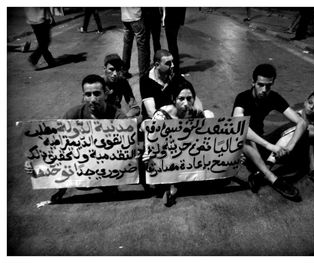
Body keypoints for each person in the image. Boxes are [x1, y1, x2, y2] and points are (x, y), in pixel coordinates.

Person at [25, 74, 127, 202]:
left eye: (97, 94)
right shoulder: (73, 114)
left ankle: (107, 185)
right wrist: (34, 161)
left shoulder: (118, 117)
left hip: (105, 166)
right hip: (80, 167)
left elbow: (128, 144)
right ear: (83, 96)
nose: (92, 99)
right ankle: (63, 187)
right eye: (88, 94)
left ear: (105, 94)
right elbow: (52, 142)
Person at [232, 63, 307, 202]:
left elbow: (302, 122)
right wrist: (271, 147)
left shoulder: (273, 97)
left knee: (294, 128)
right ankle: (273, 178)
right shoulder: (242, 97)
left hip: (261, 142)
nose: (264, 90)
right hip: (245, 146)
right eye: (260, 84)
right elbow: (238, 127)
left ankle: (262, 171)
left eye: (268, 86)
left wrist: (288, 148)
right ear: (253, 82)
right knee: (243, 135)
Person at [143, 77, 213, 207]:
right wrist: (148, 154)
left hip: (189, 155)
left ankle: (176, 186)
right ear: (174, 99)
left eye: (189, 98)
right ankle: (172, 186)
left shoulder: (195, 112)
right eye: (181, 99)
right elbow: (153, 140)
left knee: (209, 114)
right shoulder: (162, 115)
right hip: (169, 155)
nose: (186, 103)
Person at [140, 49, 203, 121]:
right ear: (157, 65)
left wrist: (199, 111)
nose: (172, 65)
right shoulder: (146, 80)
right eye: (168, 63)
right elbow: (151, 112)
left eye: (172, 62)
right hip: (154, 118)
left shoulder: (175, 76)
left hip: (173, 116)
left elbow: (192, 96)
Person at [103, 53, 141, 120]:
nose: (115, 74)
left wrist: (126, 117)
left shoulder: (122, 82)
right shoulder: (98, 83)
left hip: (116, 118)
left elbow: (135, 107)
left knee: (140, 119)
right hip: (100, 120)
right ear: (104, 69)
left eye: (117, 70)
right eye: (111, 69)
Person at [121, 7, 150, 79]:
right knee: (141, 46)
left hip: (125, 17)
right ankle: (143, 73)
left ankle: (124, 71)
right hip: (136, 16)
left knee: (127, 44)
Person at [162, 7, 186, 75]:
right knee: (173, 44)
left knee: (172, 45)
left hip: (170, 17)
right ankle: (175, 68)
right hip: (176, 18)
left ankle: (175, 69)